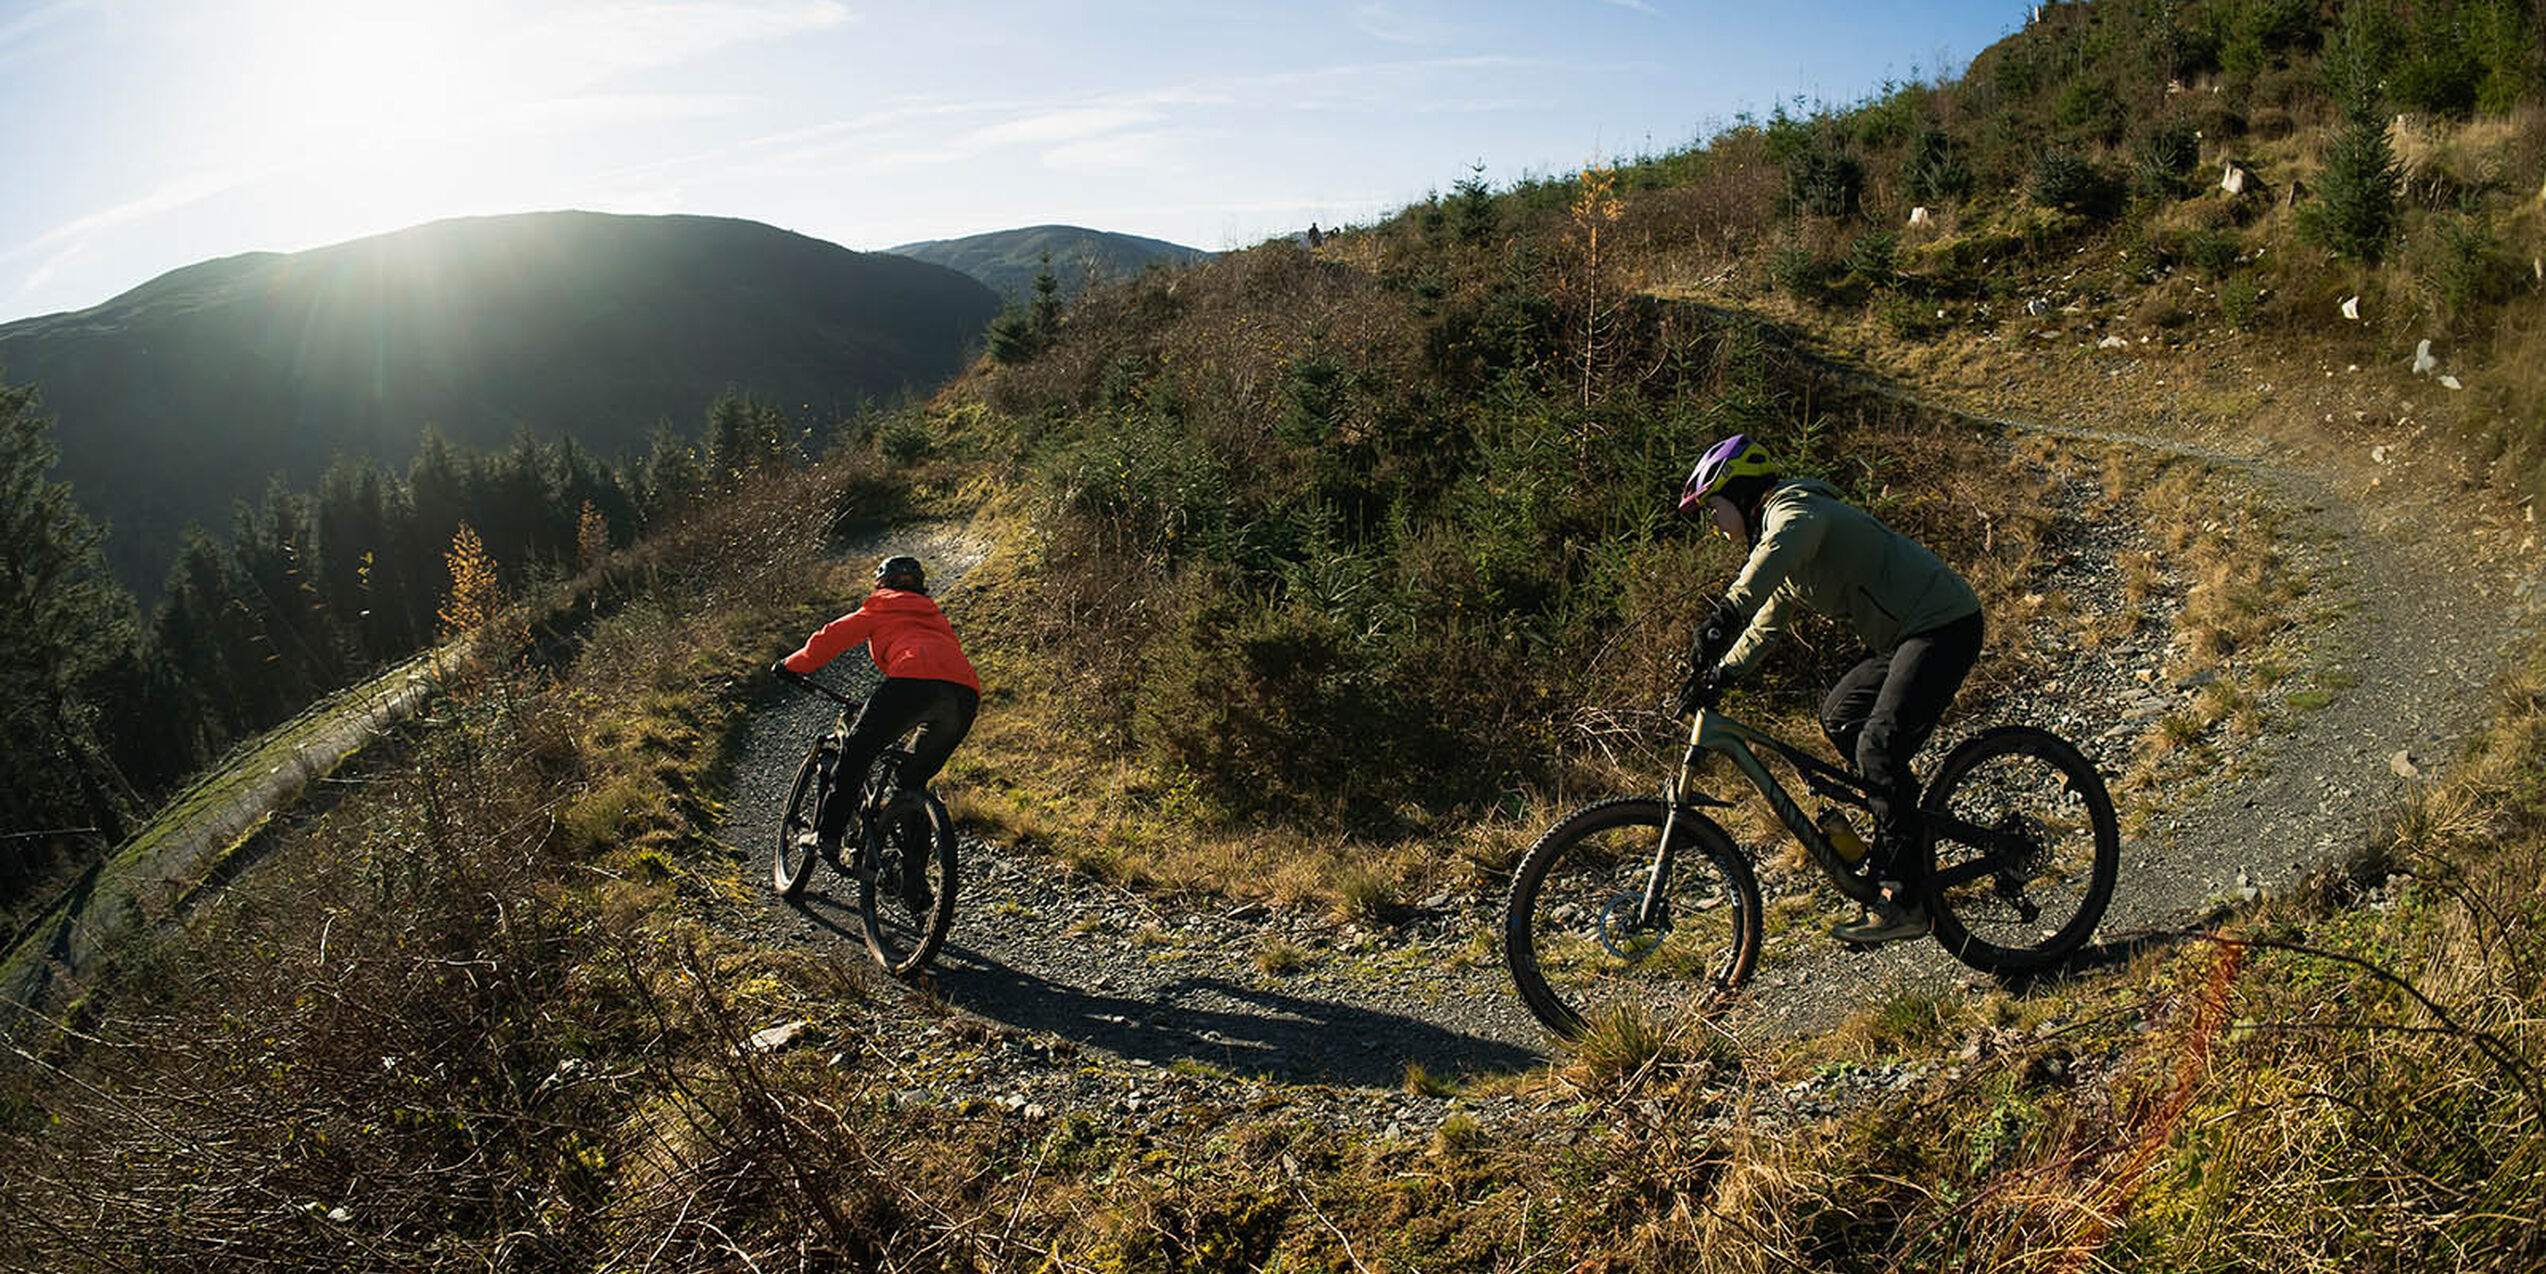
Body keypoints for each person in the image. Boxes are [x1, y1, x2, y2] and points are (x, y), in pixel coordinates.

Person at [1674, 434, 1984, 943]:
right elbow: (1766, 625)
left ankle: (1903, 897)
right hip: (1902, 637)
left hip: (1942, 623)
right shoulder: (1783, 546)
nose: (1711, 520)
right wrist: (1721, 674)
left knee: (1878, 745)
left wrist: (1723, 614)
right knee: (1840, 716)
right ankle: (1902, 835)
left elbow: (1779, 546)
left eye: (1713, 506)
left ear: (1742, 494)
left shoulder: (1795, 509)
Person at [772, 554, 981, 869]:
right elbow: (941, 660)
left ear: (881, 583)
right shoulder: (934, 615)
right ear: (921, 587)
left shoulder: (881, 605)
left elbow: (830, 638)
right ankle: (914, 881)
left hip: (911, 683)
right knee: (912, 780)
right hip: (964, 693)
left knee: (857, 750)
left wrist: (790, 665)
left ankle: (827, 836)